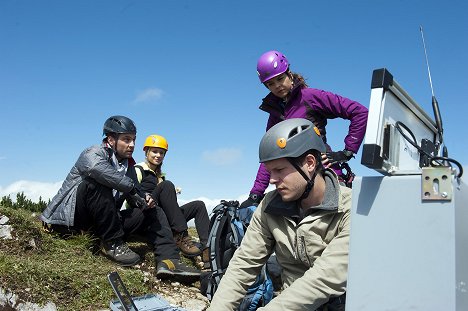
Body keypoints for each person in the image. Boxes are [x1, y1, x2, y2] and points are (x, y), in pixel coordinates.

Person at [208, 118, 350, 310]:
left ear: (309, 163)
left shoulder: (350, 207)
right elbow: (244, 264)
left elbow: (327, 277)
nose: (272, 180)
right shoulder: (270, 205)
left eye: (280, 170)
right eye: (269, 171)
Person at [40, 115, 200, 282]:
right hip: (72, 220)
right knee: (96, 183)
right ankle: (113, 243)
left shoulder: (128, 165)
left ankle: (169, 261)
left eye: (133, 140)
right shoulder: (94, 152)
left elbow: (135, 191)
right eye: (126, 139)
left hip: (104, 222)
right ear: (111, 139)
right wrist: (131, 188)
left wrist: (144, 198)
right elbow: (98, 169)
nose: (132, 144)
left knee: (153, 210)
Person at [240, 50, 368, 208]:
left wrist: (347, 152)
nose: (277, 86)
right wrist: (256, 194)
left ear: (289, 74)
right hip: (295, 183)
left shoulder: (311, 97)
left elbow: (359, 112)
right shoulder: (274, 113)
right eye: (270, 84)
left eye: (280, 78)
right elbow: (270, 155)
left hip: (324, 176)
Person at [134, 134, 210, 262]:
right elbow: (131, 195)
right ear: (146, 152)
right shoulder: (138, 169)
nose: (158, 155)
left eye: (162, 153)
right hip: (147, 214)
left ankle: (208, 249)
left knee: (199, 205)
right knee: (167, 185)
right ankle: (181, 236)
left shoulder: (161, 177)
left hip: (164, 216)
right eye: (155, 151)